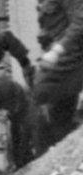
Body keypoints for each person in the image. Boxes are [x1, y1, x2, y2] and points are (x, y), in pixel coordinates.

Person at [34, 0, 83, 151]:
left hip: (71, 57)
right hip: (59, 58)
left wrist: (58, 50)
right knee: (57, 114)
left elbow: (80, 21)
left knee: (41, 93)